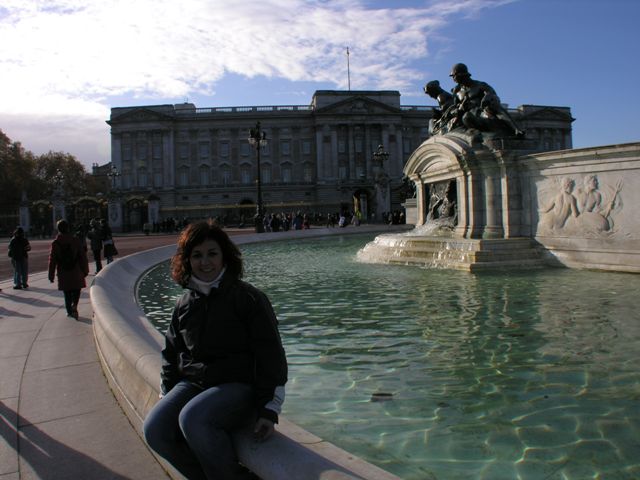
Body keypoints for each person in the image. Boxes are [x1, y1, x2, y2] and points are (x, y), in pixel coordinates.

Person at [143, 221, 288, 480]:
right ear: (187, 260)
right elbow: (172, 354)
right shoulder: (184, 304)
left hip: (239, 385)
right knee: (155, 429)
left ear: (224, 257)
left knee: (193, 418)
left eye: (212, 253)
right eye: (197, 255)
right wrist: (167, 394)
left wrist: (269, 408)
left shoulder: (249, 298)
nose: (205, 262)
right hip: (195, 383)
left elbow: (271, 354)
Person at [48, 219, 89, 319]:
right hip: (76, 270)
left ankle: (69, 311)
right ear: (68, 228)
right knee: (76, 289)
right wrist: (85, 269)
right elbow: (82, 256)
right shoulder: (75, 240)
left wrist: (51, 275)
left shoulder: (55, 243)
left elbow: (52, 260)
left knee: (67, 292)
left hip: (63, 271)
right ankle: (75, 305)